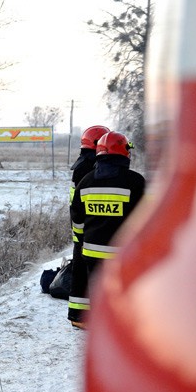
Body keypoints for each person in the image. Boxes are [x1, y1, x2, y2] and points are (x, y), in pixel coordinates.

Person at [67, 131, 145, 328]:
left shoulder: (86, 182)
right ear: (124, 154)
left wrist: (82, 241)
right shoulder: (135, 181)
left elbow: (77, 217)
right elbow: (146, 218)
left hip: (92, 253)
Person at [64, 125, 110, 301]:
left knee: (81, 273)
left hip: (80, 223)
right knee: (85, 272)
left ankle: (79, 310)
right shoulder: (91, 166)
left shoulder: (81, 164)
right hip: (88, 226)